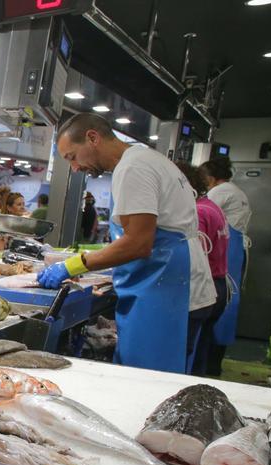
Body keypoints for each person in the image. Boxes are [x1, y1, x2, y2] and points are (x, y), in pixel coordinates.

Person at [38, 113, 215, 374]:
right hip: (171, 282)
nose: (75, 168)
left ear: (92, 138)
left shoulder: (133, 168)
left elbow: (138, 244)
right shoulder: (145, 159)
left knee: (149, 382)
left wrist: (72, 266)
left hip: (168, 291)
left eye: (72, 157)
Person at [200, 157, 252, 375]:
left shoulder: (219, 193)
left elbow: (203, 216)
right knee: (227, 303)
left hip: (226, 250)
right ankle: (213, 363)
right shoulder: (237, 191)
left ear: (210, 178)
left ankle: (210, 364)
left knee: (217, 305)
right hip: (234, 249)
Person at [177, 162, 229, 376]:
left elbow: (193, 258)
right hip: (216, 287)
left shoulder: (198, 212)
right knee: (199, 351)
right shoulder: (211, 206)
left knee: (189, 356)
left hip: (202, 289)